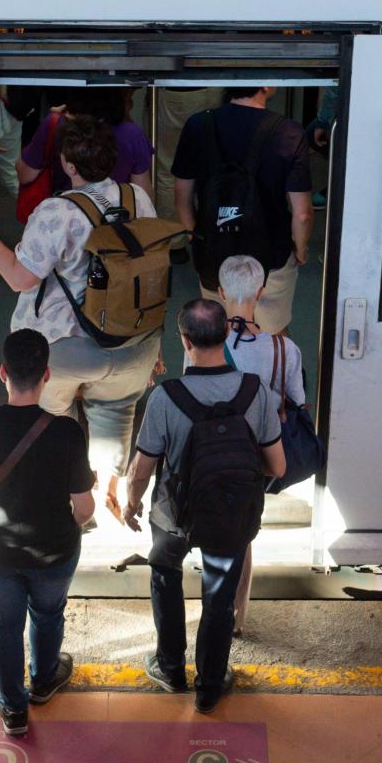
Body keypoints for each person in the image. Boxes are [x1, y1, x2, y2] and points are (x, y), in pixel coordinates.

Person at [0, 115, 163, 523]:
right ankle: (110, 490)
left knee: (54, 418)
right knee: (116, 410)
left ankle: (71, 499)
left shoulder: (57, 211)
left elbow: (20, 278)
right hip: (134, 343)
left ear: (68, 163)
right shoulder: (137, 198)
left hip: (65, 346)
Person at [123, 299, 285, 713]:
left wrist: (131, 503)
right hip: (230, 514)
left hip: (173, 515)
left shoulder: (165, 397)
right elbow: (278, 466)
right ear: (227, 334)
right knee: (219, 595)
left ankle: (170, 668)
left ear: (184, 340)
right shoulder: (256, 392)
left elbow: (142, 468)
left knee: (165, 576)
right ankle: (210, 687)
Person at [0, 329, 95, 736]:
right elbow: (84, 509)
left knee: (3, 625)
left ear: (2, 373)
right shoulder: (67, 432)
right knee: (48, 614)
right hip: (54, 552)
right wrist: (70, 526)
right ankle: (44, 682)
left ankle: (13, 709)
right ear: (47, 374)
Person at [171, 86, 314, 335]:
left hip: (214, 252)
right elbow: (303, 214)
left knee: (218, 335)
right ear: (266, 85)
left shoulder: (198, 125)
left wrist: (197, 237)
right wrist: (300, 250)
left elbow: (181, 198)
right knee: (273, 335)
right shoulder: (288, 131)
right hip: (272, 254)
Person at [214, 255, 308, 630]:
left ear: (221, 293)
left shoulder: (204, 344)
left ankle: (219, 609)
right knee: (244, 532)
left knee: (222, 529)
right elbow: (297, 401)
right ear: (262, 292)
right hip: (260, 456)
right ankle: (237, 617)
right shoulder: (284, 349)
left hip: (215, 450)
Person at [18, 88, 155, 203]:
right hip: (118, 219)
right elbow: (143, 196)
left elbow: (25, 175)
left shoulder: (56, 124)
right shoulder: (133, 134)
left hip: (66, 213)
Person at [154, 86, 223, 220]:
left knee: (168, 174)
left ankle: (175, 232)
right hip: (205, 86)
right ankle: (205, 229)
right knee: (212, 170)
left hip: (173, 89)